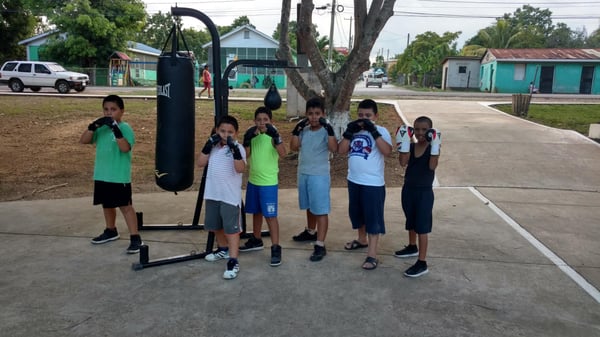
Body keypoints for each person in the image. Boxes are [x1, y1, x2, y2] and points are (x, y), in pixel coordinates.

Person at [80, 94, 143, 254]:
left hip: (118, 175)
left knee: (125, 206)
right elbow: (84, 140)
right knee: (106, 204)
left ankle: (135, 237)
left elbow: (125, 148)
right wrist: (93, 126)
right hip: (102, 174)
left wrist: (116, 128)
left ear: (121, 111)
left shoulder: (125, 128)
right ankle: (110, 230)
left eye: (113, 109)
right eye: (106, 110)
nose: (109, 113)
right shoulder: (101, 128)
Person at [338, 99, 393, 270]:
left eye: (368, 115)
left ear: (376, 116)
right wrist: (348, 133)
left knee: (373, 218)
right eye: (361, 115)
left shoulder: (382, 131)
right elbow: (341, 151)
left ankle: (372, 254)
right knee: (357, 213)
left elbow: (387, 151)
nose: (364, 119)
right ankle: (362, 240)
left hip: (373, 183)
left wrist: (374, 131)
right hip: (354, 180)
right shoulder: (354, 131)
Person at [197, 115, 246, 280]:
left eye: (230, 132)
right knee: (215, 225)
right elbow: (200, 163)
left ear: (236, 133)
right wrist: (207, 145)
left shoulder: (239, 148)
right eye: (222, 131)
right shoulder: (214, 147)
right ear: (217, 131)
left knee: (231, 230)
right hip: (212, 193)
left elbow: (240, 169)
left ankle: (233, 260)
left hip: (229, 197)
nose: (226, 135)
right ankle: (223, 250)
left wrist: (234, 150)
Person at [289, 97, 338, 261]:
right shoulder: (304, 130)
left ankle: (320, 244)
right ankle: (311, 231)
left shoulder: (325, 131)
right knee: (309, 205)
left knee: (320, 209)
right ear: (306, 115)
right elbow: (294, 147)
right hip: (304, 173)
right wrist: (297, 129)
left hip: (319, 175)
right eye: (310, 114)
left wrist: (329, 129)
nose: (314, 117)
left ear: (323, 114)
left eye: (317, 113)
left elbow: (334, 148)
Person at [394, 116, 441, 277]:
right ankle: (412, 246)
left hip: (424, 192)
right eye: (417, 129)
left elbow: (432, 166)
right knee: (411, 220)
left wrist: (435, 146)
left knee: (422, 227)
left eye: (424, 129)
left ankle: (422, 262)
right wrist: (403, 143)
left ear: (431, 131)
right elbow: (402, 162)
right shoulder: (411, 146)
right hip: (408, 189)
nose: (420, 133)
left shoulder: (433, 147)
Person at [240, 106, 287, 266]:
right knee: (256, 212)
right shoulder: (252, 136)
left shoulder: (273, 136)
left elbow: (283, 153)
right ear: (254, 121)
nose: (261, 123)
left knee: (270, 216)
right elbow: (245, 155)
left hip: (268, 184)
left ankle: (275, 247)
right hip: (254, 181)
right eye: (258, 120)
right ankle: (257, 239)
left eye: (265, 120)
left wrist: (277, 136)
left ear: (270, 121)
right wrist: (246, 140)